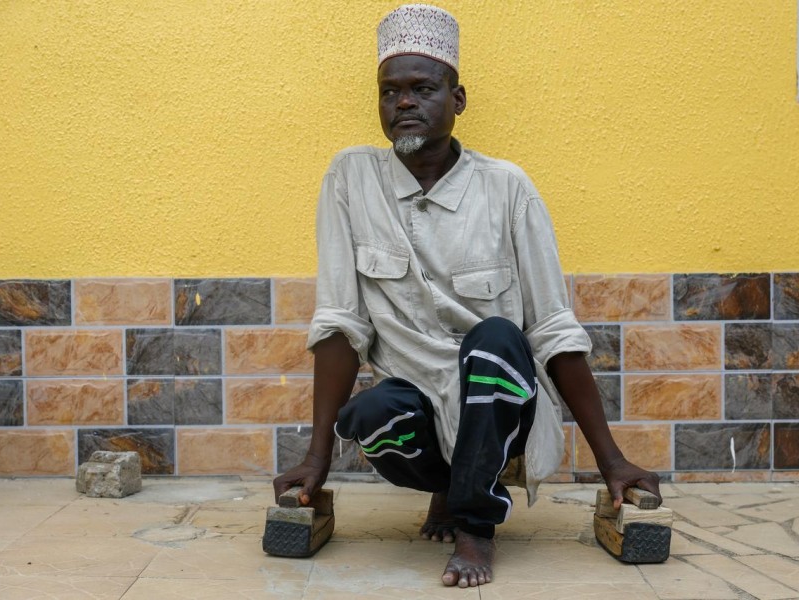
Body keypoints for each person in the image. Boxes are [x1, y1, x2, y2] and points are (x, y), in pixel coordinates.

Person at [274, 3, 661, 588]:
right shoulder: (350, 179)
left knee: (495, 339)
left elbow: (554, 327)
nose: (403, 102)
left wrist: (612, 460)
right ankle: (446, 487)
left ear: (457, 100)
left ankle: (476, 526)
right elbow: (339, 321)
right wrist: (316, 456)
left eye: (422, 88)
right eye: (389, 91)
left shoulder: (507, 188)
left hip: (500, 397)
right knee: (371, 414)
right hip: (418, 403)